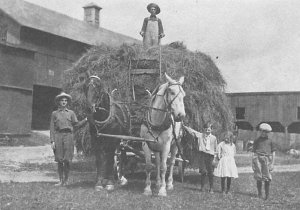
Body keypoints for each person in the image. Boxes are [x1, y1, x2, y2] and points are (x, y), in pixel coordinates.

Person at [50, 92, 87, 186]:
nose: (64, 102)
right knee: (59, 159)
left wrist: (86, 120)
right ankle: (60, 180)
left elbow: (77, 125)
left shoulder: (71, 113)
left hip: (69, 136)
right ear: (59, 102)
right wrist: (52, 140)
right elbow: (52, 128)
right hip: (58, 136)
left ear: (67, 102)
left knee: (67, 160)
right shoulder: (54, 113)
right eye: (62, 100)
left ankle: (66, 181)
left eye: (65, 100)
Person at [252, 123, 276, 200]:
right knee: (259, 177)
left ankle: (267, 195)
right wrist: (253, 163)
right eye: (262, 131)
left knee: (267, 178)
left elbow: (273, 153)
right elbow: (254, 152)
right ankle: (259, 193)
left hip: (267, 159)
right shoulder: (256, 140)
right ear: (260, 131)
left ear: (267, 133)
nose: (263, 133)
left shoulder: (270, 141)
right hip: (258, 158)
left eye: (265, 132)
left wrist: (272, 163)